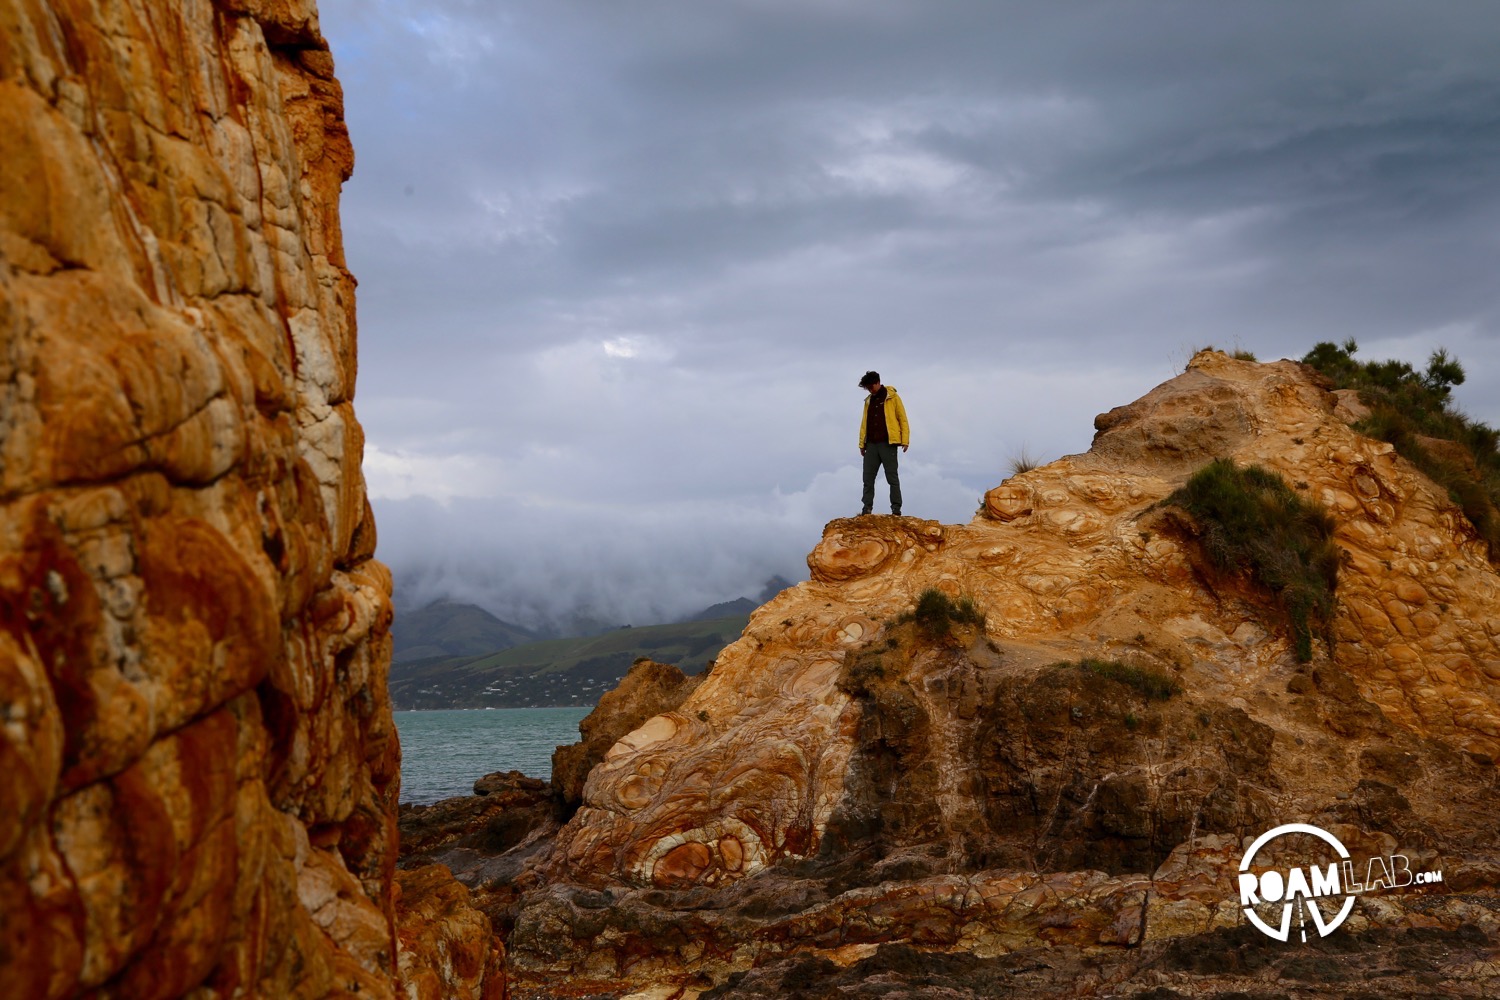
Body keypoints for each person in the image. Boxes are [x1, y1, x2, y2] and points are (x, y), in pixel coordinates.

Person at [857, 370, 909, 516]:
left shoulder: (892, 397)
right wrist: (862, 443)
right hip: (871, 444)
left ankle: (896, 509)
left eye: (871, 387)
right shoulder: (868, 400)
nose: (869, 390)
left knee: (892, 477)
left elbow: (902, 418)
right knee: (868, 478)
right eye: (867, 388)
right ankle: (866, 508)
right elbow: (864, 423)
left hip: (888, 443)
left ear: (878, 383)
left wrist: (905, 440)